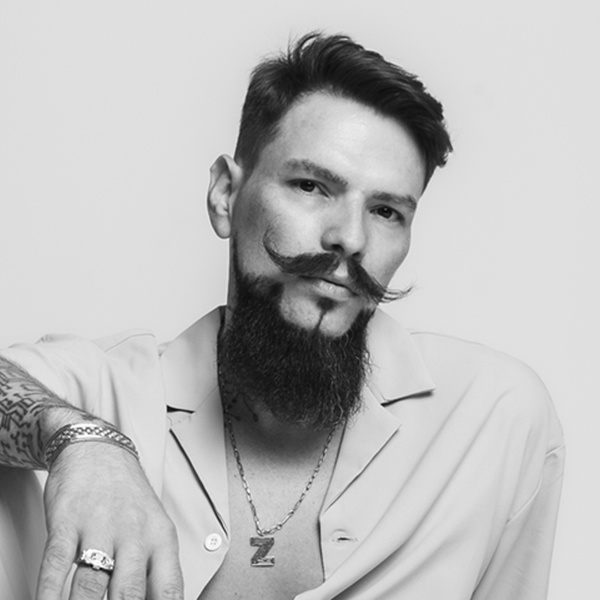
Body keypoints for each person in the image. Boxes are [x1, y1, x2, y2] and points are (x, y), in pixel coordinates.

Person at [0, 32, 564, 600]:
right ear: (225, 194)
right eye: (311, 186)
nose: (349, 237)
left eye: (386, 211)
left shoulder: (492, 419)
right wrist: (83, 442)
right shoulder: (106, 393)